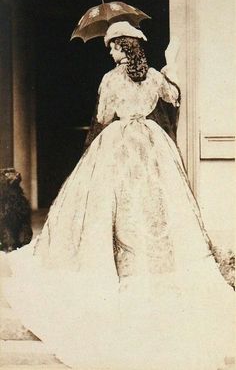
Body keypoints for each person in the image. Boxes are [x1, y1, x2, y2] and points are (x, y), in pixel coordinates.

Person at [2, 21, 235, 370]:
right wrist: (168, 76)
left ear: (126, 47)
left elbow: (103, 116)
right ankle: (148, 266)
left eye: (113, 46)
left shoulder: (110, 80)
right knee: (153, 205)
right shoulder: (155, 77)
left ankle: (123, 267)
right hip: (153, 144)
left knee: (113, 204)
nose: (110, 52)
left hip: (119, 144)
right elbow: (173, 98)